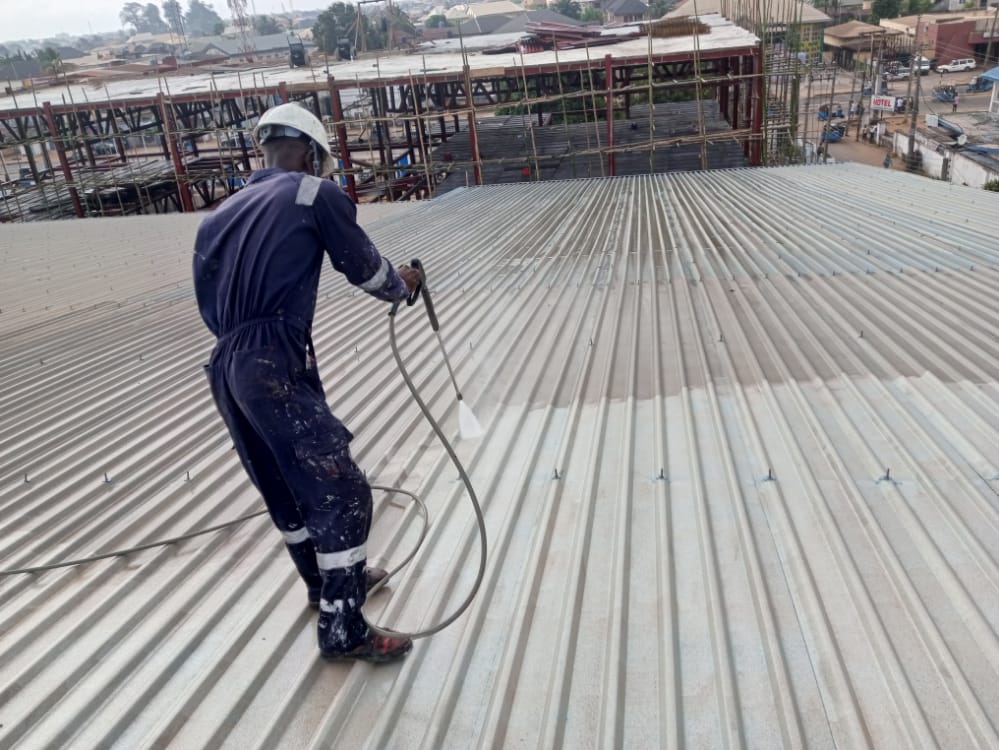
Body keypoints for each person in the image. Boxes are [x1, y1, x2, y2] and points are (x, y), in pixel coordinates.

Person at [193, 103, 421, 663]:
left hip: (226, 365)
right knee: (341, 489)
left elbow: (208, 300)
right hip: (272, 360)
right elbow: (365, 269)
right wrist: (403, 284)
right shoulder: (313, 193)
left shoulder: (218, 215)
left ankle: (326, 589)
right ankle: (342, 630)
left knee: (286, 487)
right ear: (313, 154)